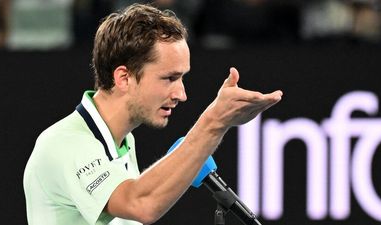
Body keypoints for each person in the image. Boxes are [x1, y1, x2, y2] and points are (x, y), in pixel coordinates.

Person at [23, 3, 283, 225]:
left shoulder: (123, 142)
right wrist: (214, 122)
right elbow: (142, 204)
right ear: (123, 77)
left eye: (182, 78)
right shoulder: (66, 143)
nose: (181, 94)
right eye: (170, 78)